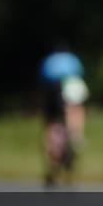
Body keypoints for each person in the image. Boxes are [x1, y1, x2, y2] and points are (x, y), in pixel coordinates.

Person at [39, 48, 89, 187]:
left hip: (52, 91)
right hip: (70, 89)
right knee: (75, 110)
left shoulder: (49, 64)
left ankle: (53, 155)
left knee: (51, 125)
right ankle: (75, 135)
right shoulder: (73, 62)